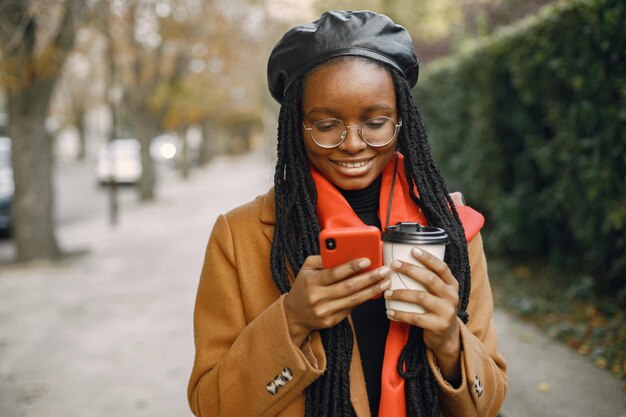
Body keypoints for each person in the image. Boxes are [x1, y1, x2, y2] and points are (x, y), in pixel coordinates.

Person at [188, 10, 507, 417]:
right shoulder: (240, 237)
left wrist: (449, 341)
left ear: (401, 121)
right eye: (325, 124)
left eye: (375, 122)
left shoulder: (453, 230)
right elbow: (211, 406)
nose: (353, 144)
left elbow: (490, 403)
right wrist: (292, 320)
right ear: (295, 127)